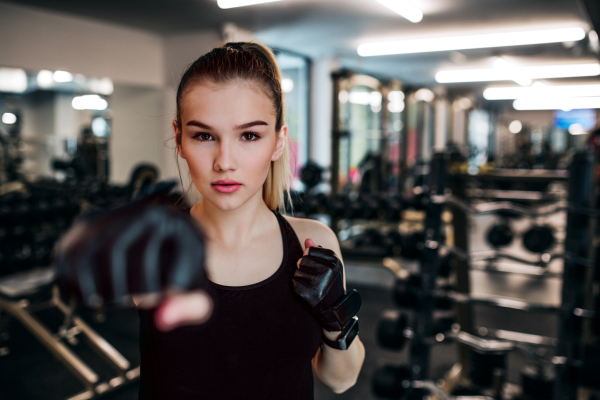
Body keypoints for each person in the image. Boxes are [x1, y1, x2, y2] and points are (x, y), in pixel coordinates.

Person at [134, 42, 365, 399]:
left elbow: (340, 380)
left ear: (278, 142)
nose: (224, 161)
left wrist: (334, 313)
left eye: (249, 135)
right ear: (179, 139)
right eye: (204, 136)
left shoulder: (313, 244)